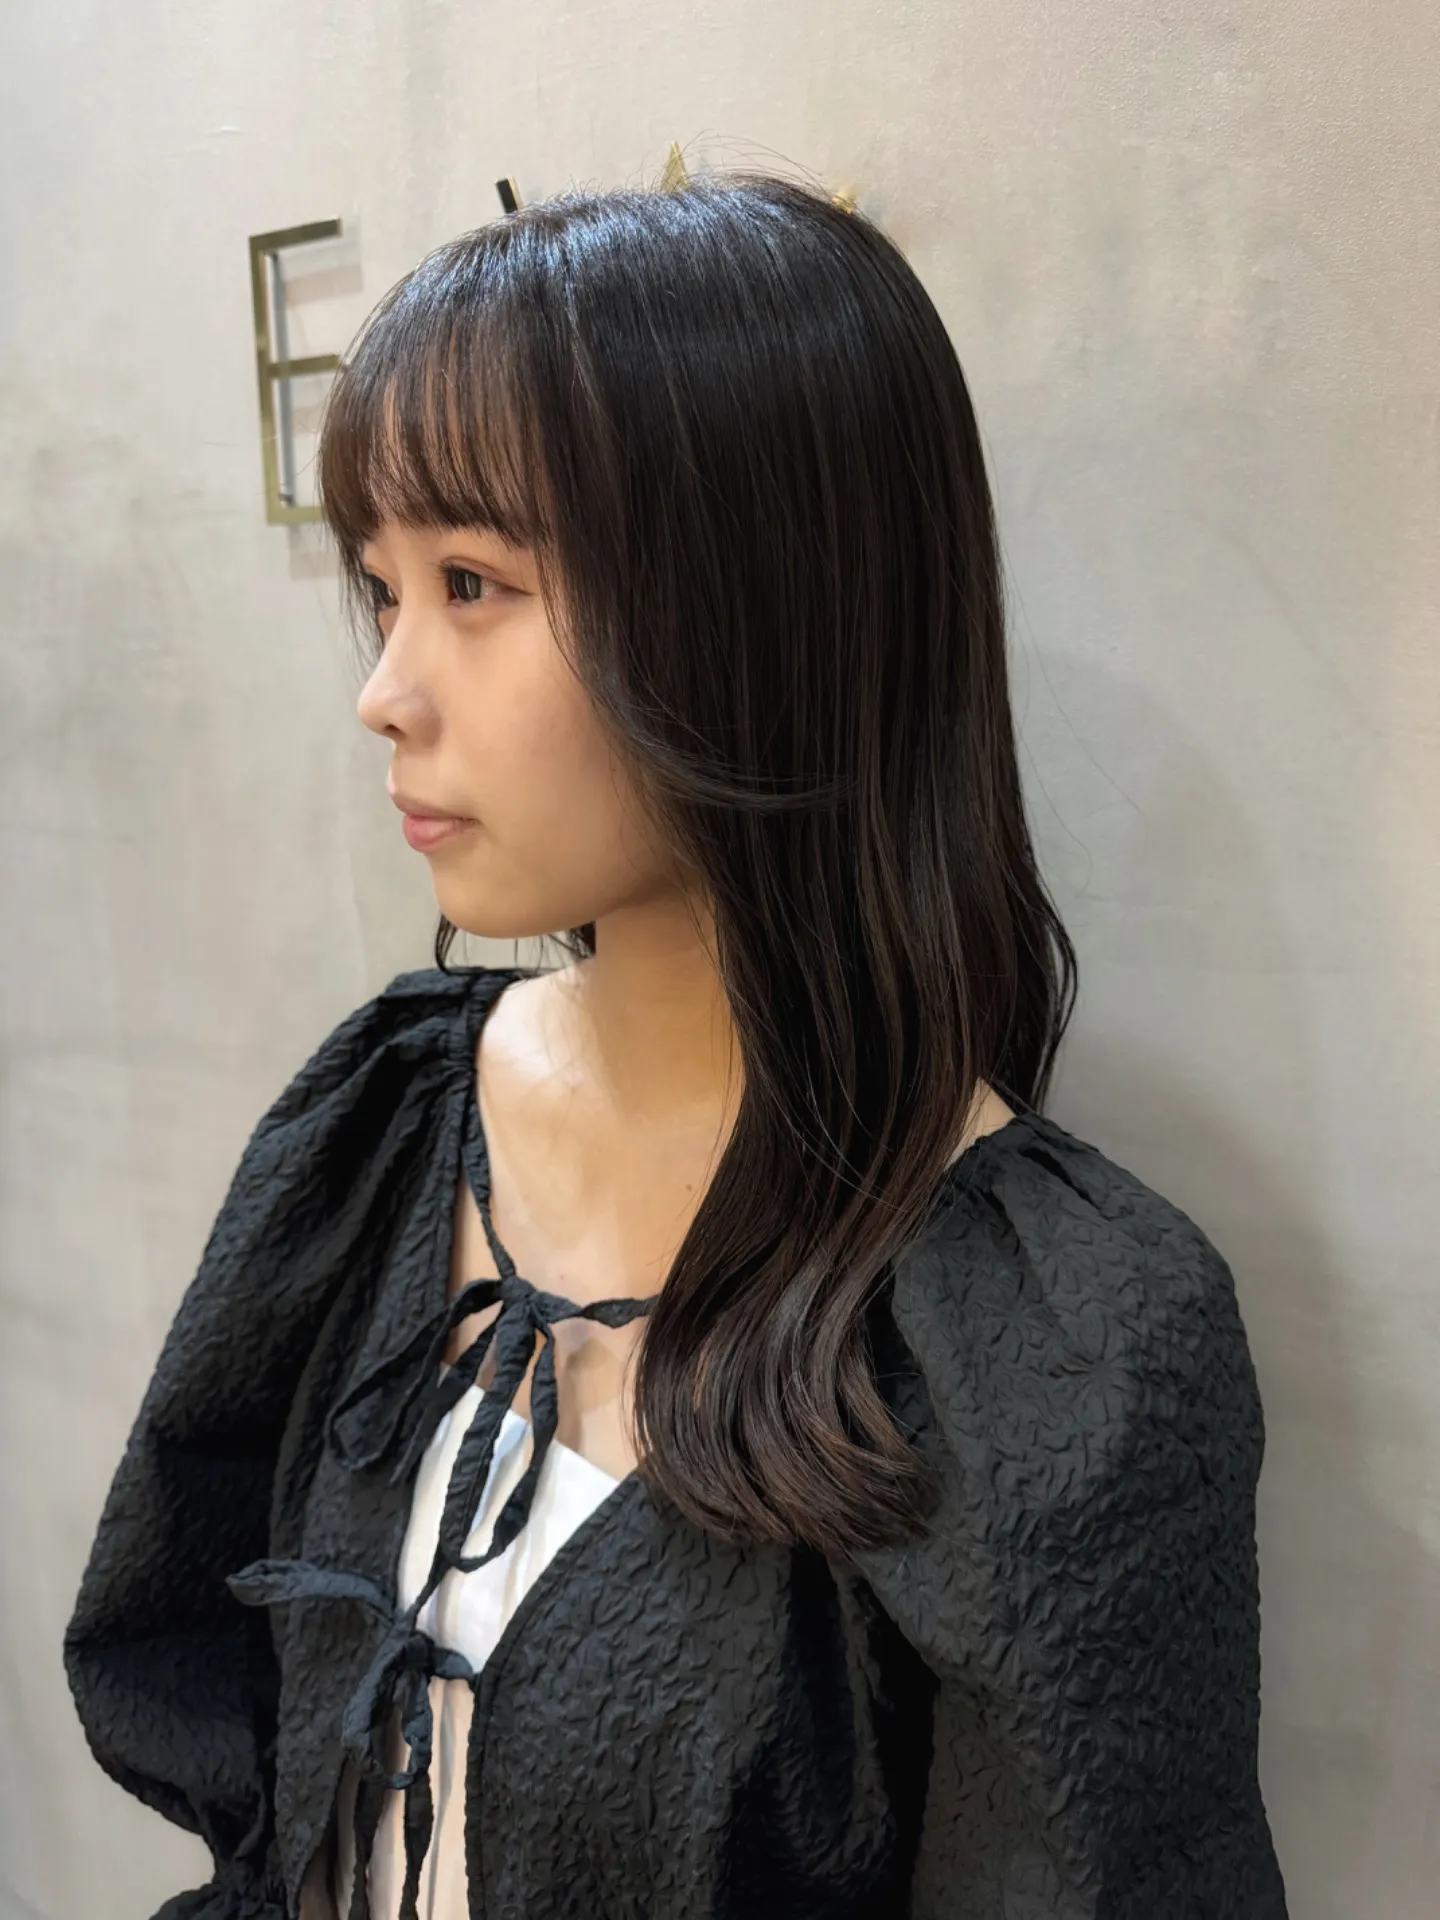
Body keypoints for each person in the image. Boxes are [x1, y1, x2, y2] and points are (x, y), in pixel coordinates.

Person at [63, 170, 1289, 1919]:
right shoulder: (389, 1126)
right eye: (382, 590)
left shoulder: (1058, 1345)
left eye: (472, 583)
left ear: (756, 608)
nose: (385, 689)